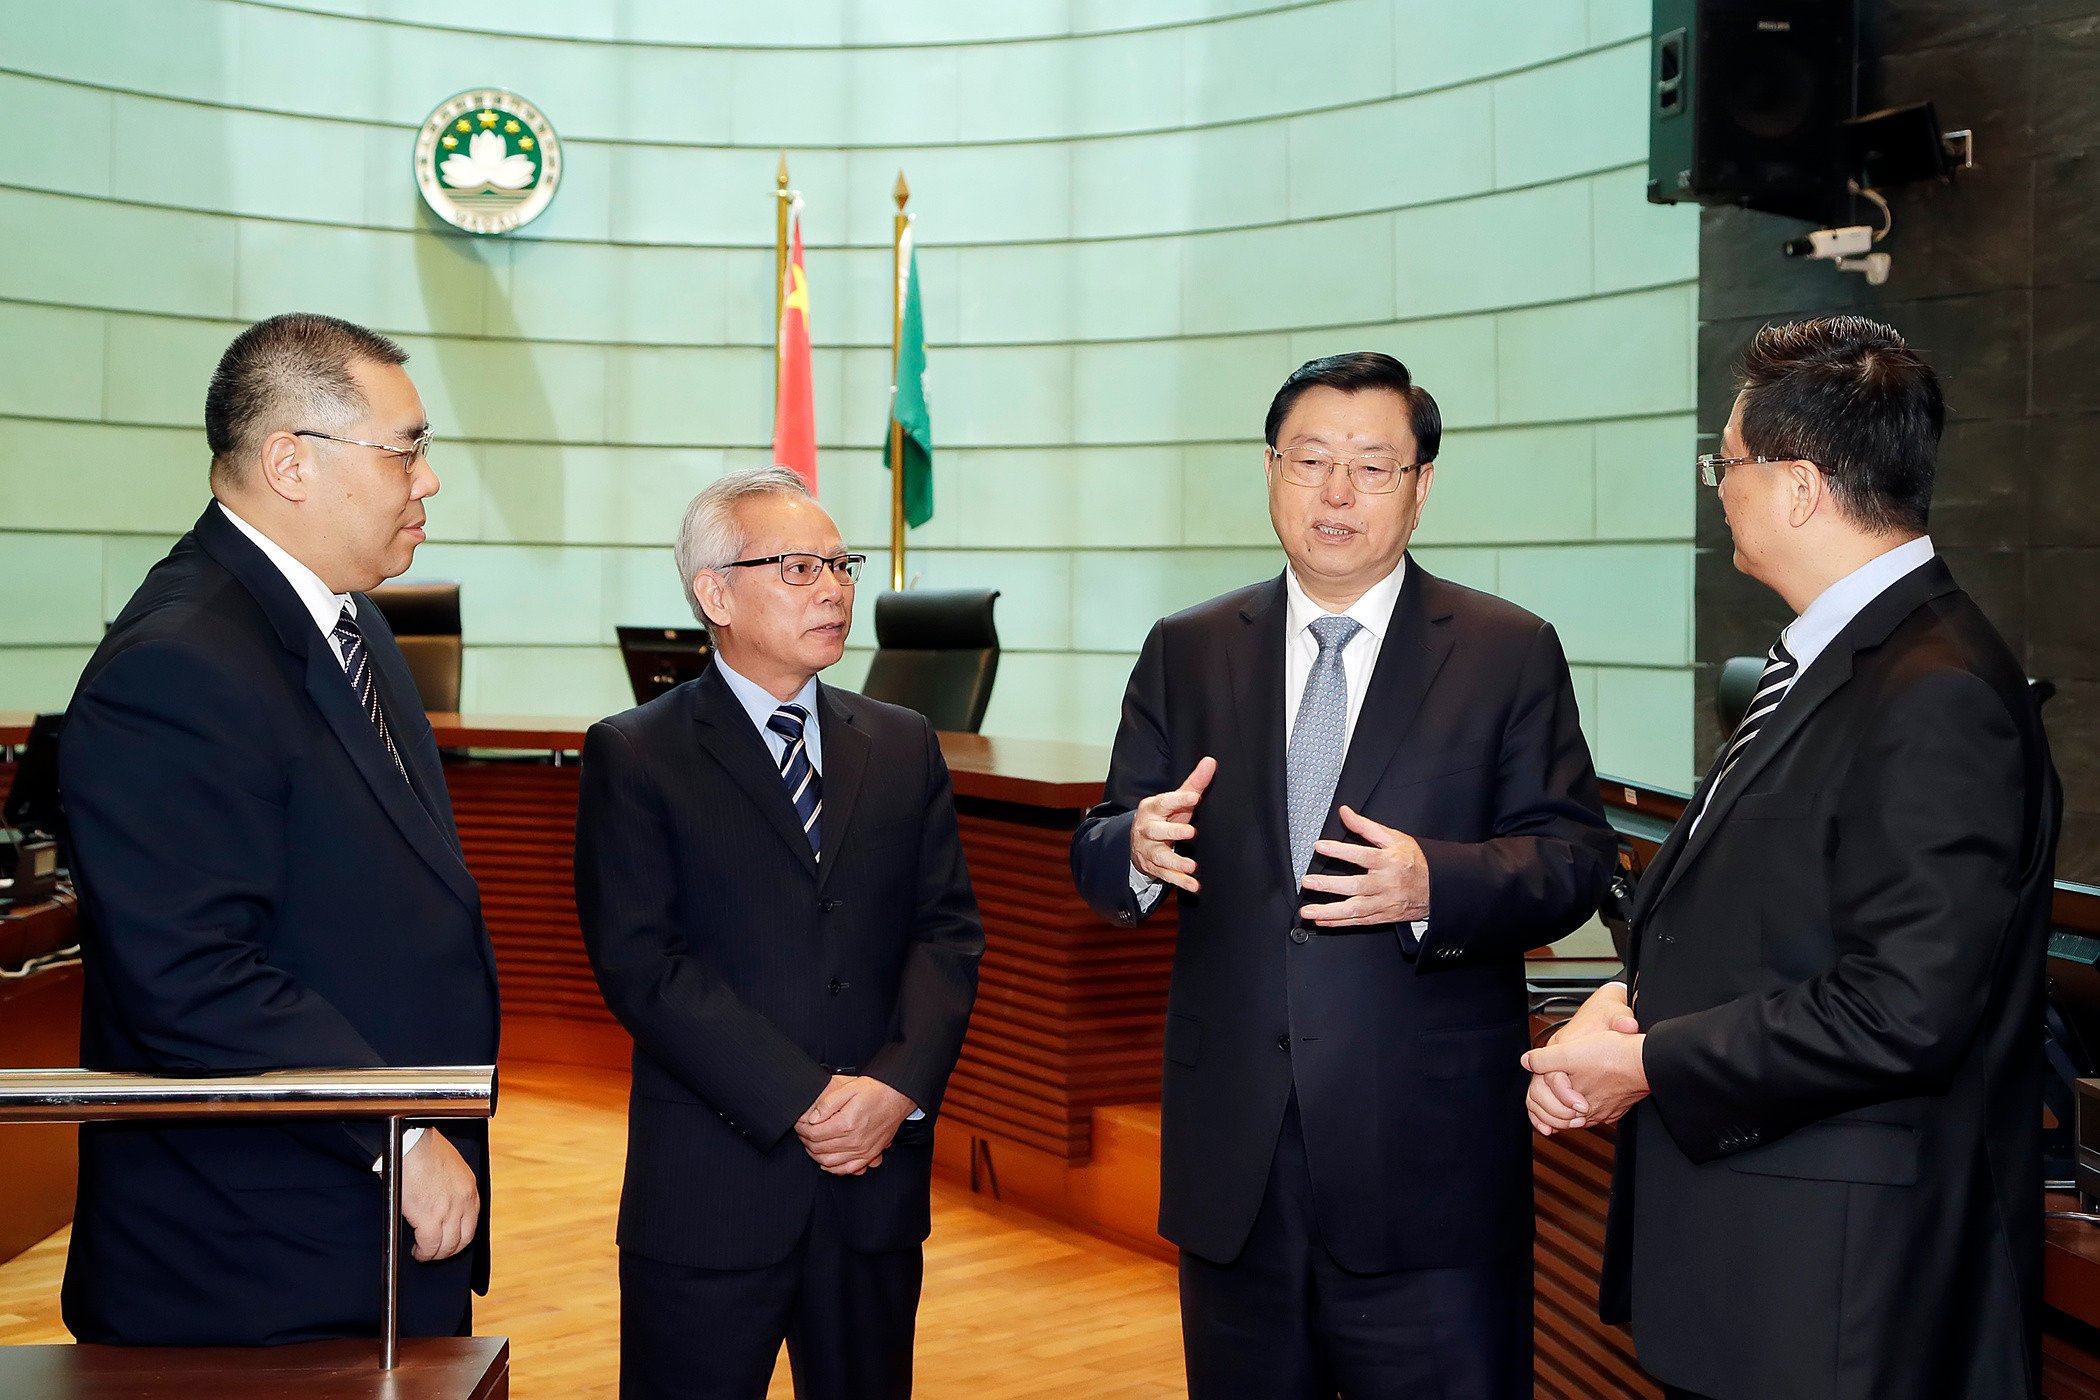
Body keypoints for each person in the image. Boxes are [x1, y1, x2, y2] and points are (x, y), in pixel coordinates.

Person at [1524, 316, 2059, 1400]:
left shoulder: (1935, 691)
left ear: (1800, 485)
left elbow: (1904, 1006)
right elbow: (1766, 922)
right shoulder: (1838, 662)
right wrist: (1627, 1005)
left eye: (1725, 464)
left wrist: (1650, 1062)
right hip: (1773, 1270)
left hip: (1843, 1299)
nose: (1718, 487)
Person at [1070, 352, 1616, 1400]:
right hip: (1236, 1165)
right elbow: (1100, 842)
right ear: (1270, 470)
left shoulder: (1506, 650)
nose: (1335, 491)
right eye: (1309, 459)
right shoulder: (1187, 648)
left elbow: (1573, 858)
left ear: (1421, 485)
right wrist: (1131, 849)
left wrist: (1433, 884)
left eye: (1371, 465)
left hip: (1428, 1168)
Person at [58, 312, 497, 1345]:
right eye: (408, 449)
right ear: (292, 463)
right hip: (251, 1262)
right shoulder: (178, 663)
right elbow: (191, 972)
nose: (427, 480)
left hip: (355, 1229)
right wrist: (398, 1133)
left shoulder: (353, 622)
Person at [575, 467, 983, 1400]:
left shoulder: (903, 740)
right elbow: (643, 967)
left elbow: (946, 932)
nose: (836, 588)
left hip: (874, 1181)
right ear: (715, 593)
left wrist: (894, 1087)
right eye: (799, 568)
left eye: (841, 564)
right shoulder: (637, 750)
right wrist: (803, 1097)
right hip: (714, 1189)